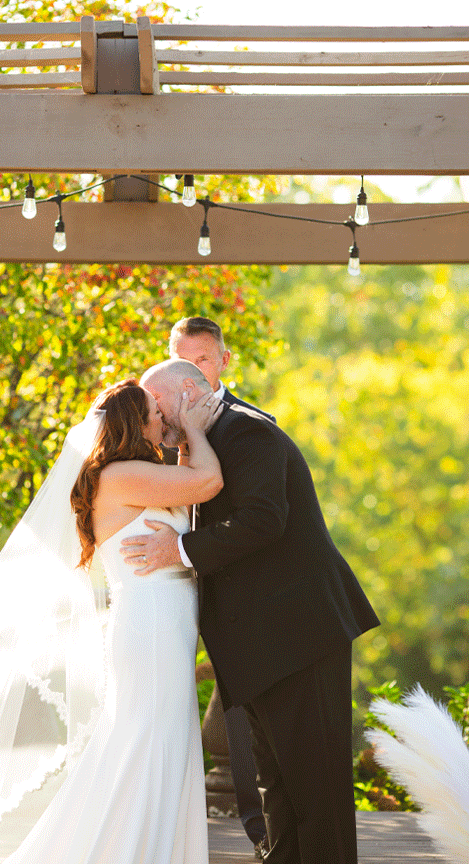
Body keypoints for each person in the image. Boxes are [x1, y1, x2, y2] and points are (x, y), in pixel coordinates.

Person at [0, 375, 225, 864]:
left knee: (163, 738)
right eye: (156, 412)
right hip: (150, 626)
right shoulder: (120, 475)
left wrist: (179, 448)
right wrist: (195, 431)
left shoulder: (135, 472)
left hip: (166, 624)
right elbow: (209, 482)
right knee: (145, 741)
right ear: (137, 423)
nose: (164, 417)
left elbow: (189, 496)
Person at [122, 359, 380, 864]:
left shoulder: (248, 434)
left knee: (316, 791)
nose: (159, 419)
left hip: (300, 638)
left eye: (161, 404)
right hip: (265, 649)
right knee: (277, 791)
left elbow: (264, 520)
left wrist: (180, 550)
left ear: (195, 391)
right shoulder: (205, 446)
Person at [169, 315, 270, 855]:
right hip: (166, 591)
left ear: (224, 360)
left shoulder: (251, 424)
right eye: (183, 362)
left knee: (241, 708)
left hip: (233, 594)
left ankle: (256, 826)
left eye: (202, 361)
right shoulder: (153, 422)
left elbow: (258, 519)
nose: (192, 375)